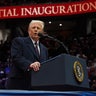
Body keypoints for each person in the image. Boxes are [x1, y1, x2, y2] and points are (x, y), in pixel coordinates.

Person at [5, 20, 48, 90]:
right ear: (28, 31)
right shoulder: (19, 41)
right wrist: (30, 64)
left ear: (42, 32)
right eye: (33, 28)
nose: (36, 29)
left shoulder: (44, 49)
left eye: (38, 28)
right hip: (18, 85)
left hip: (36, 86)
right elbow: (16, 57)